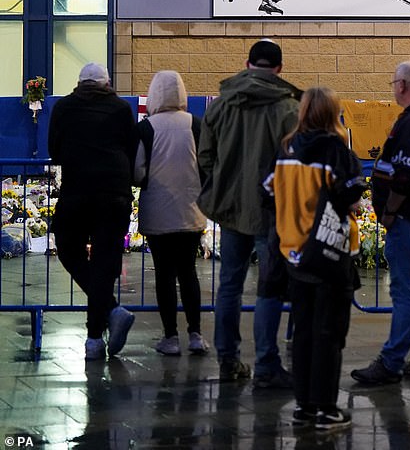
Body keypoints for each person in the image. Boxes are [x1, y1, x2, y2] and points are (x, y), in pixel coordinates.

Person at [197, 39, 302, 385]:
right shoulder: (287, 109)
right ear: (280, 69)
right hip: (271, 211)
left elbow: (206, 157)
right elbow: (294, 164)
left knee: (229, 285)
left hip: (229, 209)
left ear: (247, 63)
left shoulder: (221, 104)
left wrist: (221, 185)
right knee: (269, 288)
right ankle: (267, 364)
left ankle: (228, 360)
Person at [263, 86, 365, 431]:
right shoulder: (334, 148)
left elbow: (267, 190)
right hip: (327, 252)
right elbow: (351, 190)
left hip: (293, 252)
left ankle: (304, 406)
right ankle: (326, 408)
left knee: (304, 331)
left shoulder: (287, 148)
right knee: (330, 332)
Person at [351, 61, 410, 385]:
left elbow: (406, 174)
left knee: (404, 292)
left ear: (401, 85)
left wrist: (389, 211)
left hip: (407, 218)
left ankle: (392, 362)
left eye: (392, 83)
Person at [48, 62, 137, 360]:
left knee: (68, 249)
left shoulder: (63, 107)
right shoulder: (122, 109)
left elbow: (54, 150)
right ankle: (95, 337)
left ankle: (106, 320)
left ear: (79, 82)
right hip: (114, 195)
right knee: (104, 262)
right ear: (107, 83)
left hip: (76, 193)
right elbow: (131, 147)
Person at [134, 71, 208, 356]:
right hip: (190, 210)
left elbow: (138, 171)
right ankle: (196, 334)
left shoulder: (145, 128)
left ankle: (170, 337)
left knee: (164, 274)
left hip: (157, 211)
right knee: (189, 272)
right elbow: (205, 165)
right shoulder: (195, 124)